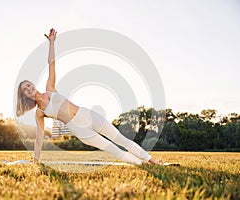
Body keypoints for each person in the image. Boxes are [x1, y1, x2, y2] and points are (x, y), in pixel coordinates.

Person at [16, 28, 162, 165]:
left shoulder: (50, 89)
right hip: (79, 129)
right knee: (113, 149)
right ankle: (141, 164)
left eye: (28, 85)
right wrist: (36, 160)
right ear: (24, 97)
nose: (29, 88)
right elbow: (39, 138)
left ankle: (153, 161)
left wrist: (52, 43)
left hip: (87, 114)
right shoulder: (40, 113)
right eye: (25, 89)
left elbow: (51, 64)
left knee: (120, 139)